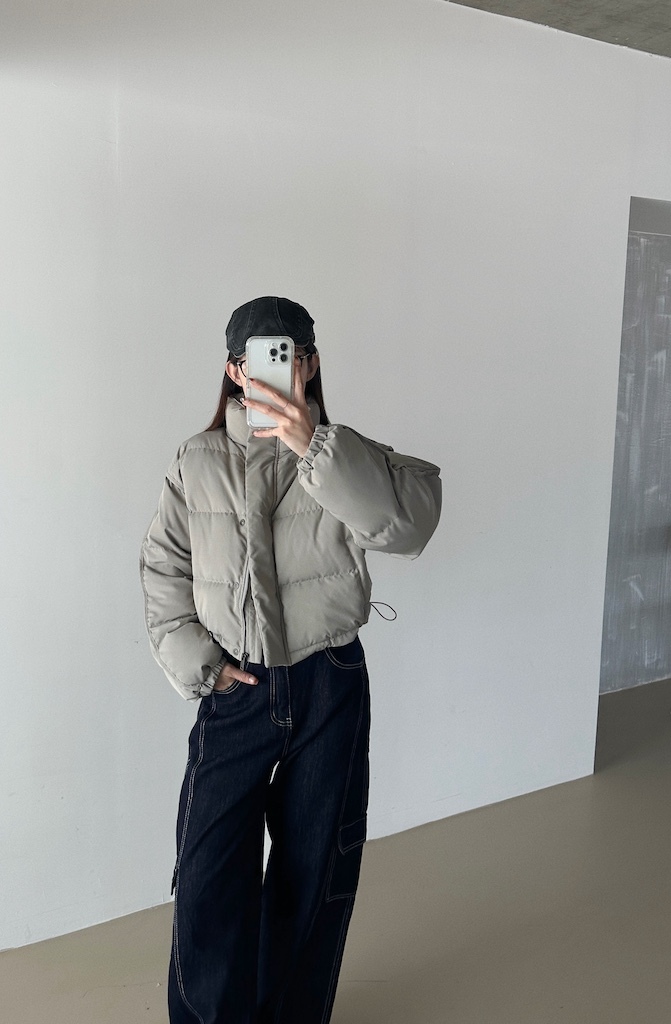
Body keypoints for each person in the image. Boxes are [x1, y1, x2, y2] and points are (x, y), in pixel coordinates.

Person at [140, 296, 441, 1024]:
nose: (275, 371)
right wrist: (200, 663)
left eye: (290, 356)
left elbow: (410, 524)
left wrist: (315, 448)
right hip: (234, 690)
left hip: (326, 685)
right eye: (258, 360)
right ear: (234, 371)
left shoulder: (344, 454)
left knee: (314, 871)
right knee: (209, 876)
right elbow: (163, 566)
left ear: (309, 364)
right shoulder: (197, 459)